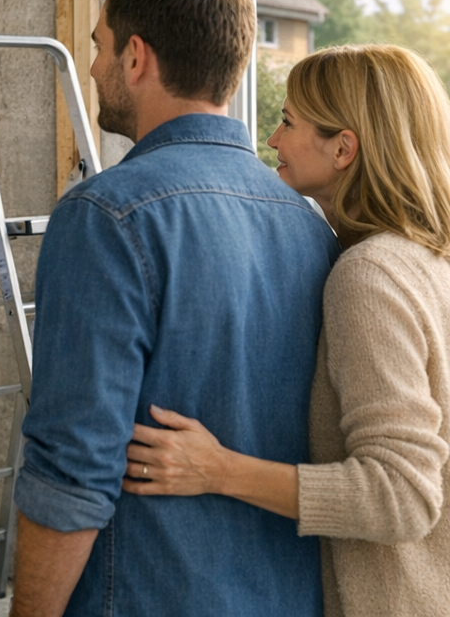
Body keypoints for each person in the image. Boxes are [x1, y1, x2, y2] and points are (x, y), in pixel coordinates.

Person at [9, 0, 341, 617]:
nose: (95, 68)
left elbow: (73, 470)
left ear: (137, 57)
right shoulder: (310, 224)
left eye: (100, 48)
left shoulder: (105, 216)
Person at [122, 44, 450, 617]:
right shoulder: (428, 259)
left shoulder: (370, 277)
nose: (272, 140)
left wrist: (217, 469)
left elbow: (403, 496)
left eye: (288, 121)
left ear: (344, 148)